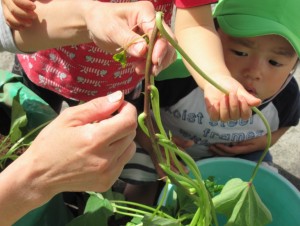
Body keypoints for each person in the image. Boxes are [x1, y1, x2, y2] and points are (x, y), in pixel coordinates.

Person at [0, 1, 177, 225]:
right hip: (47, 68)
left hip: (114, 78)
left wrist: (90, 16)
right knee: (42, 133)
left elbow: (7, 30)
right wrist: (39, 175)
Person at [120, 0, 300, 205]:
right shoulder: (177, 77)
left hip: (235, 158)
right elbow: (134, 109)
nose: (254, 72)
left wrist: (262, 142)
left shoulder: (286, 97)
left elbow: (288, 122)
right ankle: (140, 195)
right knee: (137, 162)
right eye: (240, 52)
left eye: (275, 62)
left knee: (261, 181)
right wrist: (153, 143)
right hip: (170, 149)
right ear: (212, 37)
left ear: (293, 67)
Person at [3, 0, 261, 120]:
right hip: (45, 66)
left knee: (95, 152)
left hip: (118, 81)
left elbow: (195, 25)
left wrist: (215, 76)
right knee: (25, 131)